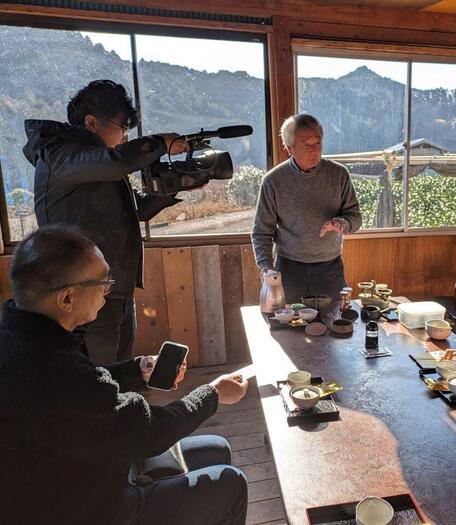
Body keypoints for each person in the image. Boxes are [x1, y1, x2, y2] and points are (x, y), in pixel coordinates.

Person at [0, 226, 250, 525]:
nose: (109, 289)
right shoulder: (53, 368)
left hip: (82, 473)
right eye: (103, 282)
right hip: (85, 508)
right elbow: (148, 432)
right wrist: (213, 394)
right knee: (230, 483)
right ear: (67, 298)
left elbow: (84, 388)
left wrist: (136, 371)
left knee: (214, 450)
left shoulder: (22, 339)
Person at [23, 79, 188, 364]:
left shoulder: (94, 163)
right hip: (80, 293)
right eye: (123, 128)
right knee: (96, 385)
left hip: (113, 289)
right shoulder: (59, 155)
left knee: (121, 376)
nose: (125, 137)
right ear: (91, 122)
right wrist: (159, 143)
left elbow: (137, 209)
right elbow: (117, 161)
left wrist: (176, 185)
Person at [252, 113, 362, 303]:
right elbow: (262, 231)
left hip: (330, 267)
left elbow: (355, 218)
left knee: (335, 323)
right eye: (306, 144)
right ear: (289, 148)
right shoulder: (273, 181)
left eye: (317, 143)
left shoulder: (338, 174)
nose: (314, 151)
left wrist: (341, 223)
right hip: (289, 268)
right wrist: (266, 267)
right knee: (289, 326)